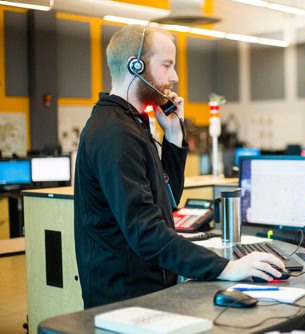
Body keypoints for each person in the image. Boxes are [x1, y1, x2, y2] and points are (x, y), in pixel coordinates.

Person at [74, 24, 285, 309]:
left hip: (146, 290)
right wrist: (226, 268)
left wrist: (173, 137)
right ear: (135, 66)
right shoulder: (115, 133)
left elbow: (168, 197)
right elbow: (146, 233)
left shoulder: (131, 123)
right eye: (167, 65)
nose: (174, 77)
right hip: (124, 300)